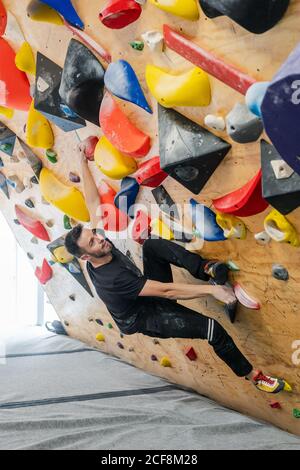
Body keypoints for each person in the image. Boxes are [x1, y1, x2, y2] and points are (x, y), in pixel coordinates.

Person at [65, 147, 289, 394]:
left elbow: (92, 202)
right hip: (146, 316)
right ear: (86, 257)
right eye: (93, 242)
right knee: (212, 328)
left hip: (143, 291)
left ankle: (206, 268)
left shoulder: (98, 244)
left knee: (151, 245)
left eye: (95, 234)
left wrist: (80, 161)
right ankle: (255, 377)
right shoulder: (113, 280)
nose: (100, 238)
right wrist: (211, 292)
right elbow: (166, 291)